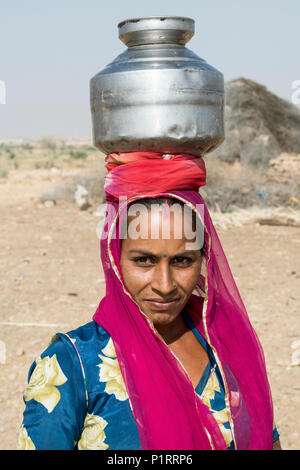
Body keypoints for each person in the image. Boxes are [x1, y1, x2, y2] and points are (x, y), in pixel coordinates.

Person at [17, 152, 281, 450]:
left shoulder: (227, 347)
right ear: (115, 259)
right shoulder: (71, 366)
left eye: (183, 261)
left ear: (203, 260)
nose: (165, 286)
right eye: (144, 260)